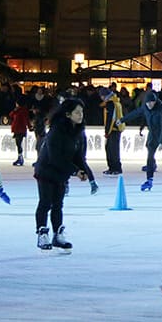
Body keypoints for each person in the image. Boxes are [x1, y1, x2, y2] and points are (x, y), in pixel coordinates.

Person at [33, 98, 98, 252]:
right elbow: (56, 157)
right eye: (77, 112)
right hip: (46, 170)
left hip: (62, 173)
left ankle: (57, 235)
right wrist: (75, 171)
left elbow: (79, 157)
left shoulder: (79, 132)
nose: (80, 115)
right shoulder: (57, 130)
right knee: (45, 202)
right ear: (68, 114)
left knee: (58, 204)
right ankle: (42, 234)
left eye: (82, 112)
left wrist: (88, 175)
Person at [118, 90, 162, 191]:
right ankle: (149, 179)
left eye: (152, 102)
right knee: (150, 156)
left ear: (155, 101)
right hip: (153, 134)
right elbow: (135, 113)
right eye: (148, 103)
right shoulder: (145, 107)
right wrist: (122, 120)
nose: (150, 104)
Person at [101, 87, 124, 175]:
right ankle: (113, 167)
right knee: (111, 149)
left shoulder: (111, 103)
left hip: (113, 129)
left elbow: (110, 119)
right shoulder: (115, 101)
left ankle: (115, 168)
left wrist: (107, 131)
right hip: (116, 128)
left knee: (112, 150)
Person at [8, 99, 32, 166]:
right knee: (18, 144)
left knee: (18, 143)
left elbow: (26, 119)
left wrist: (29, 126)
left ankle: (20, 158)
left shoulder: (23, 111)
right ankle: (19, 157)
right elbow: (11, 115)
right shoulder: (17, 111)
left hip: (20, 129)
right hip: (17, 129)